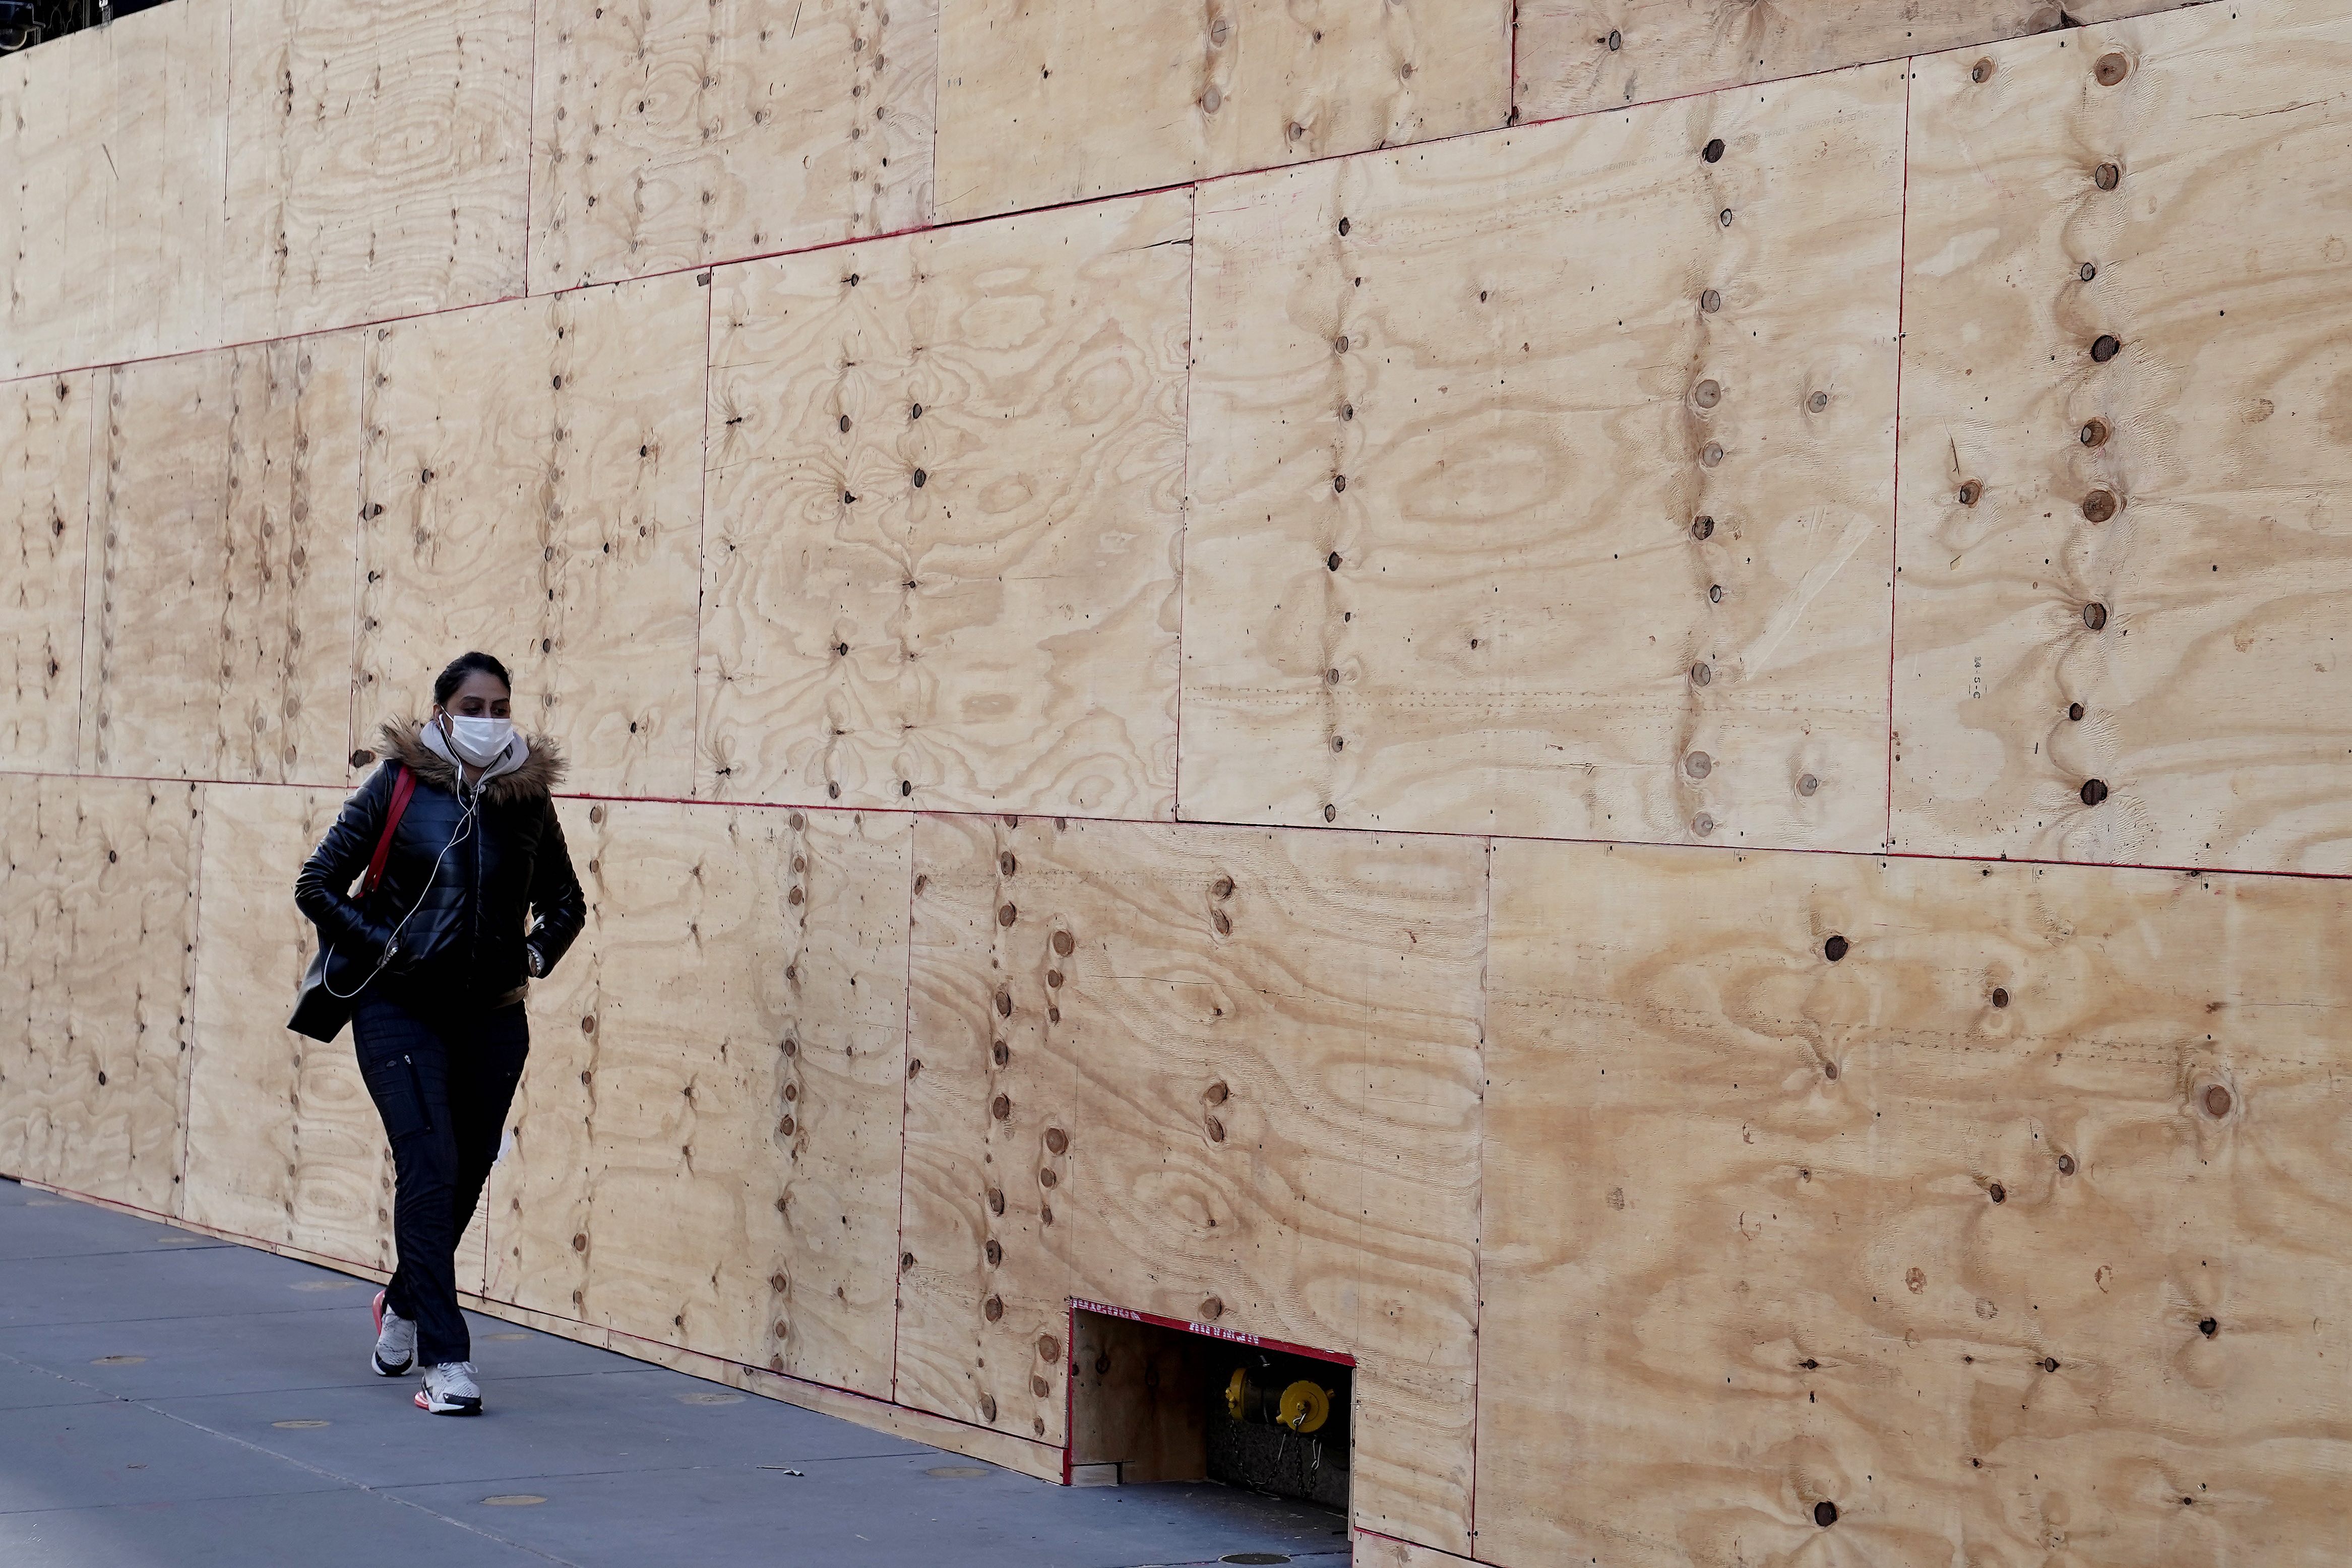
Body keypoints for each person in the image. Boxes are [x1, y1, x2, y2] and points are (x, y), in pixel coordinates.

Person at [294, 652, 584, 1415]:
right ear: (441, 712)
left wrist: (533, 954)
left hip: (495, 1017)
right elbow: (316, 885)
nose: (488, 720)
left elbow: (567, 901)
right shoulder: (396, 784)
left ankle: (402, 1301)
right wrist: (386, 947)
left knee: (468, 1168)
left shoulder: (526, 799)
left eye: (500, 707)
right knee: (430, 1165)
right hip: (399, 1009)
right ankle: (446, 1361)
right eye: (472, 707)